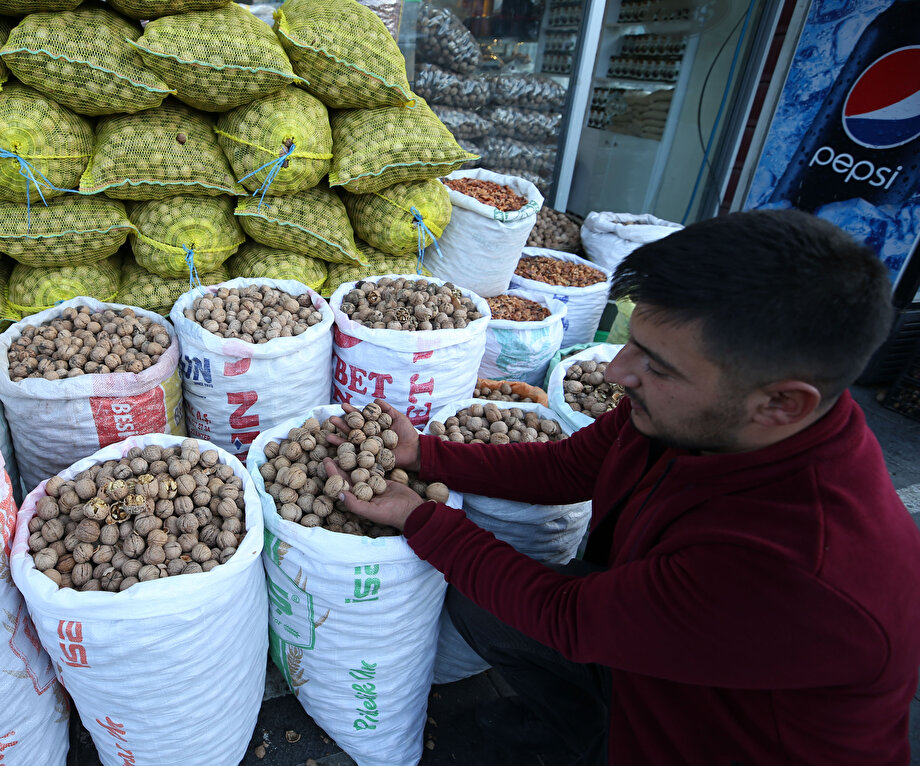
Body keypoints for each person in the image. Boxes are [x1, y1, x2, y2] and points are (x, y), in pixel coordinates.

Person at [323, 209, 920, 765]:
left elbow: (569, 618)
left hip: (713, 740)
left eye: (657, 364)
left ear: (782, 404)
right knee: (481, 594)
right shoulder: (691, 412)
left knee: (493, 582)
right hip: (655, 650)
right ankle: (574, 728)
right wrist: (426, 454)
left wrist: (421, 520)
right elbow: (567, 468)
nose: (616, 372)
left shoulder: (803, 563)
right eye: (635, 338)